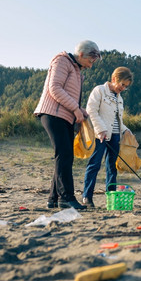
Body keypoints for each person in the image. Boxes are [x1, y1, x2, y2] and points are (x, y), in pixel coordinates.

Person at [34, 40, 101, 210]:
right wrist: (75, 109)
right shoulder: (62, 61)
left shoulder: (77, 70)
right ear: (81, 55)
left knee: (63, 156)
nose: (91, 65)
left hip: (65, 116)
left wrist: (80, 110)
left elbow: (69, 95)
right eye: (90, 61)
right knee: (64, 155)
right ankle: (66, 198)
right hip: (52, 114)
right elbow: (55, 88)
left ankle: (53, 198)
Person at [83, 67, 133, 207]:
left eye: (126, 86)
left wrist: (126, 130)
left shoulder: (119, 98)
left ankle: (111, 199)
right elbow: (91, 111)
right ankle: (87, 197)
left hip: (115, 136)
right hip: (100, 136)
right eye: (122, 84)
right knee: (94, 164)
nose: (123, 88)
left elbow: (118, 120)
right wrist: (100, 130)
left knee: (112, 167)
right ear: (114, 79)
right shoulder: (99, 91)